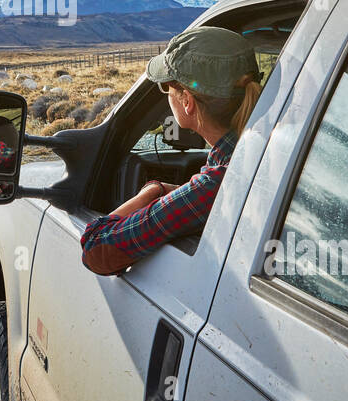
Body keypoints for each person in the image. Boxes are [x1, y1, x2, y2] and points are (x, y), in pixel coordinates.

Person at [80, 26, 263, 275]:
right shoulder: (263, 154)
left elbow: (95, 249)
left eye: (167, 87)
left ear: (187, 101)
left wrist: (153, 190)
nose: (166, 94)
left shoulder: (219, 182)